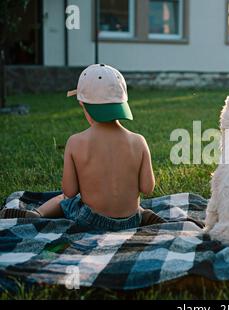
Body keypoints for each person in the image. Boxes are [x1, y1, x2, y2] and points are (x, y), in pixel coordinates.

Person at [0, 64, 165, 230]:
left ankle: (37, 214)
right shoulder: (138, 141)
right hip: (131, 220)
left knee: (66, 200)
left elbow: (70, 191)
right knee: (133, 204)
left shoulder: (76, 142)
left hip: (91, 221)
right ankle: (143, 213)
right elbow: (147, 188)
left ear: (83, 105)